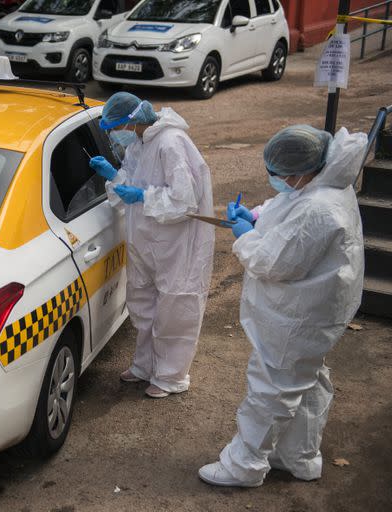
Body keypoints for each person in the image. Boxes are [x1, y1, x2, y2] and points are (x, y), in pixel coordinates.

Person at [198, 125, 367, 487]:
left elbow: (273, 262)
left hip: (298, 316)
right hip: (315, 312)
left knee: (270, 390)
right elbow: (286, 208)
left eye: (280, 173)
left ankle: (243, 466)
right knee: (306, 383)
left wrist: (245, 238)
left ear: (302, 170)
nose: (276, 179)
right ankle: (300, 457)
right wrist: (256, 217)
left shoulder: (319, 208)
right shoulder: (324, 183)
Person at [89, 92, 215, 398]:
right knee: (144, 305)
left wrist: (144, 197)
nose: (112, 134)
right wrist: (114, 176)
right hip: (145, 240)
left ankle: (171, 376)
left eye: (114, 127)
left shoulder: (171, 143)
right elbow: (130, 184)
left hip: (176, 244)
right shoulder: (139, 142)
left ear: (130, 122)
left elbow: (184, 200)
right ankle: (145, 366)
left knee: (175, 307)